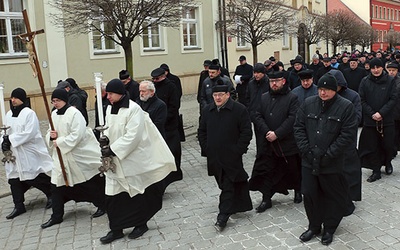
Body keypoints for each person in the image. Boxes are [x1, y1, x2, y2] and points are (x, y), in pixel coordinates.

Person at [99, 79, 176, 244]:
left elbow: (133, 136)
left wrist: (113, 149)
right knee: (112, 197)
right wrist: (103, 141)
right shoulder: (109, 108)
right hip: (114, 162)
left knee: (135, 194)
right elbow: (108, 128)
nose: (108, 96)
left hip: (131, 159)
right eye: (108, 94)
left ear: (120, 93)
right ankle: (116, 229)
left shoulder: (134, 109)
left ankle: (141, 224)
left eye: (111, 93)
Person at [294, 73, 358, 245]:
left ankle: (329, 228)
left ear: (335, 90)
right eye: (321, 89)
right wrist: (306, 150)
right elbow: (299, 127)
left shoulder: (346, 107)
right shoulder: (308, 104)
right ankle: (314, 226)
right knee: (309, 194)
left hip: (331, 162)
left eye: (327, 90)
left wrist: (329, 154)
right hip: (308, 160)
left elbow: (347, 135)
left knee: (332, 196)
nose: (323, 93)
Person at [41, 88, 106, 229]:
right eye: (53, 101)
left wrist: (59, 142)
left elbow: (78, 135)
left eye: (57, 100)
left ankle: (102, 204)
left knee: (87, 183)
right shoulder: (54, 114)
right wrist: (50, 136)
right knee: (56, 186)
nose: (55, 103)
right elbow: (49, 132)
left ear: (65, 100)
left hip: (77, 156)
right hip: (60, 157)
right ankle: (56, 216)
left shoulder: (75, 114)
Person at [198, 84, 253, 232]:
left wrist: (238, 150)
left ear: (228, 95)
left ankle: (223, 216)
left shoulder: (239, 110)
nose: (217, 98)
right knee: (224, 183)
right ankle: (240, 204)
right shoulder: (207, 110)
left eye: (221, 94)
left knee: (228, 186)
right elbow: (202, 131)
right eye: (215, 95)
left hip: (232, 156)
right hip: (214, 156)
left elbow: (246, 132)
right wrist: (206, 148)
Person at [249, 71, 302, 213]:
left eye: (277, 81)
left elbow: (292, 118)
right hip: (268, 143)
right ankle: (266, 198)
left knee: (293, 169)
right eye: (271, 81)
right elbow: (257, 115)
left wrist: (277, 133)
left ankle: (298, 190)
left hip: (287, 143)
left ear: (283, 81)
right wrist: (267, 132)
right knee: (267, 170)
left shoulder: (292, 98)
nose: (274, 83)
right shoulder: (264, 97)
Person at [1, 88, 53, 219]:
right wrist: (3, 141)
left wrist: (11, 139)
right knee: (14, 178)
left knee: (33, 175)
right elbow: (4, 131)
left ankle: (52, 194)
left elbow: (30, 132)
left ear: (22, 99)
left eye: (16, 98)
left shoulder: (29, 113)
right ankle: (18, 205)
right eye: (12, 97)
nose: (13, 100)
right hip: (14, 153)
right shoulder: (8, 114)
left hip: (28, 151)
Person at [358, 58, 397, 182]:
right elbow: (361, 99)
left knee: (388, 144)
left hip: (387, 119)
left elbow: (393, 99)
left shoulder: (390, 81)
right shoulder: (365, 81)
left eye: (378, 67)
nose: (375, 70)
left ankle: (388, 162)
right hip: (370, 120)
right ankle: (375, 170)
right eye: (373, 68)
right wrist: (372, 114)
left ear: (382, 68)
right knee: (372, 146)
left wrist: (381, 113)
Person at [330, 70, 362, 206]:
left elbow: (357, 117)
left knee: (349, 170)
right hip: (330, 139)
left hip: (347, 139)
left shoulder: (353, 96)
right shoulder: (325, 96)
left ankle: (350, 197)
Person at [151, 68, 182, 187]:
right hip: (158, 124)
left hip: (170, 124)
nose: (155, 81)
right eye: (153, 79)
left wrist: (164, 117)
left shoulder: (171, 87)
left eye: (157, 79)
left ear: (163, 77)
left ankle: (173, 172)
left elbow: (174, 106)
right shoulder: (153, 87)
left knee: (172, 149)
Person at [246, 63, 270, 156]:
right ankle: (260, 152)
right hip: (255, 114)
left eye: (258, 73)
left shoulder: (268, 82)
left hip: (267, 114)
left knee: (266, 133)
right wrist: (250, 109)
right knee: (258, 135)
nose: (256, 75)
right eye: (255, 73)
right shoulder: (251, 83)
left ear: (263, 73)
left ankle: (268, 152)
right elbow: (247, 97)